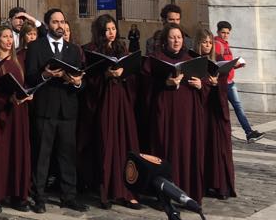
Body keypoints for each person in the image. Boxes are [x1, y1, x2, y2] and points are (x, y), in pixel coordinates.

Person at [24, 8, 87, 213]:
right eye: (55, 22)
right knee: (42, 155)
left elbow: (80, 81)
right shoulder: (36, 47)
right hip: (45, 108)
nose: (59, 25)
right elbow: (30, 77)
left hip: (68, 109)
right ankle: (39, 197)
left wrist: (76, 82)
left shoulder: (73, 50)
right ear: (47, 24)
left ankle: (69, 196)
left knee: (67, 155)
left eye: (62, 22)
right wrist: (45, 75)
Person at [144, 24, 206, 205]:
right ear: (165, 40)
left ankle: (188, 190)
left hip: (188, 115)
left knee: (187, 148)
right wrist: (165, 83)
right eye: (172, 37)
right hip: (166, 114)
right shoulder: (155, 59)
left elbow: (204, 86)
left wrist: (200, 85)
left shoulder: (190, 59)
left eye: (179, 37)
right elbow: (145, 86)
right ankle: (165, 192)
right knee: (166, 149)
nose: (176, 41)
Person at [85, 15, 140, 209]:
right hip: (104, 102)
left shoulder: (121, 49)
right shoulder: (91, 50)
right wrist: (105, 75)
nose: (111, 32)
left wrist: (122, 74)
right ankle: (106, 191)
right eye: (107, 29)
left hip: (122, 102)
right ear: (100, 32)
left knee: (126, 144)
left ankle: (127, 191)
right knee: (106, 144)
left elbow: (133, 75)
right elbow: (88, 80)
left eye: (113, 29)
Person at [0, 23, 32, 212]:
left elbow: (24, 83)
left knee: (18, 153)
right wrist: (6, 97)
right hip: (0, 114)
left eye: (11, 37)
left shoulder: (17, 60)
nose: (8, 40)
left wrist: (28, 93)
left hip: (18, 113)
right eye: (5, 37)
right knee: (0, 155)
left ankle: (17, 195)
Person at [198, 28, 236, 199]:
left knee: (217, 147)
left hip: (215, 112)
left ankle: (220, 185)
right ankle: (205, 183)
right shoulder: (194, 61)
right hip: (201, 111)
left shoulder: (218, 61)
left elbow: (223, 85)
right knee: (204, 147)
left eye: (209, 42)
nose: (207, 45)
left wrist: (215, 84)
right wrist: (204, 84)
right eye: (204, 42)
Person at [215, 21, 262, 142]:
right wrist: (233, 64)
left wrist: (238, 65)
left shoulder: (225, 44)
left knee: (237, 107)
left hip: (230, 81)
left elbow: (227, 65)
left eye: (227, 33)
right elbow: (219, 65)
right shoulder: (217, 44)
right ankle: (225, 133)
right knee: (224, 109)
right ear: (218, 32)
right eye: (223, 32)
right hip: (222, 82)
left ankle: (249, 132)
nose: (225, 35)